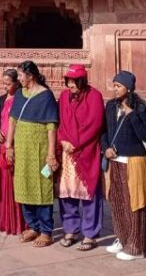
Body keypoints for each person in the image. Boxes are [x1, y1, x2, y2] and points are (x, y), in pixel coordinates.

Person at [6, 60, 59, 248]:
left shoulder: (46, 95)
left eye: (21, 75)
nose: (19, 79)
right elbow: (12, 120)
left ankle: (46, 230)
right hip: (22, 148)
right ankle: (33, 226)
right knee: (23, 186)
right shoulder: (20, 94)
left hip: (39, 148)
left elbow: (51, 126)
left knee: (42, 186)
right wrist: (9, 145)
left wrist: (51, 154)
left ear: (31, 76)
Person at [102, 70, 146, 261]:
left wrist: (131, 115)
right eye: (114, 85)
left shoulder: (139, 108)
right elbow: (103, 131)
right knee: (117, 201)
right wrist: (106, 148)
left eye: (119, 86)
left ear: (129, 88)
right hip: (115, 161)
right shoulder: (110, 106)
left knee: (134, 204)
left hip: (133, 161)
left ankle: (136, 246)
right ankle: (122, 238)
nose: (115, 89)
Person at [56, 64, 105, 251]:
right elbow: (60, 122)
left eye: (74, 81)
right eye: (68, 81)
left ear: (82, 81)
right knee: (67, 192)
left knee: (89, 194)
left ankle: (90, 233)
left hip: (86, 152)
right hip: (67, 152)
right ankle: (70, 230)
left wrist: (75, 143)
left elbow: (95, 124)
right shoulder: (63, 97)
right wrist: (62, 140)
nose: (70, 85)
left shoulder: (94, 96)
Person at [0, 68, 26, 235]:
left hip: (16, 146)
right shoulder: (0, 100)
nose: (5, 86)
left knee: (16, 184)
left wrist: (11, 144)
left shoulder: (21, 99)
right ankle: (6, 221)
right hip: (1, 146)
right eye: (4, 83)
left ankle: (20, 223)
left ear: (16, 83)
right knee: (3, 184)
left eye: (8, 83)